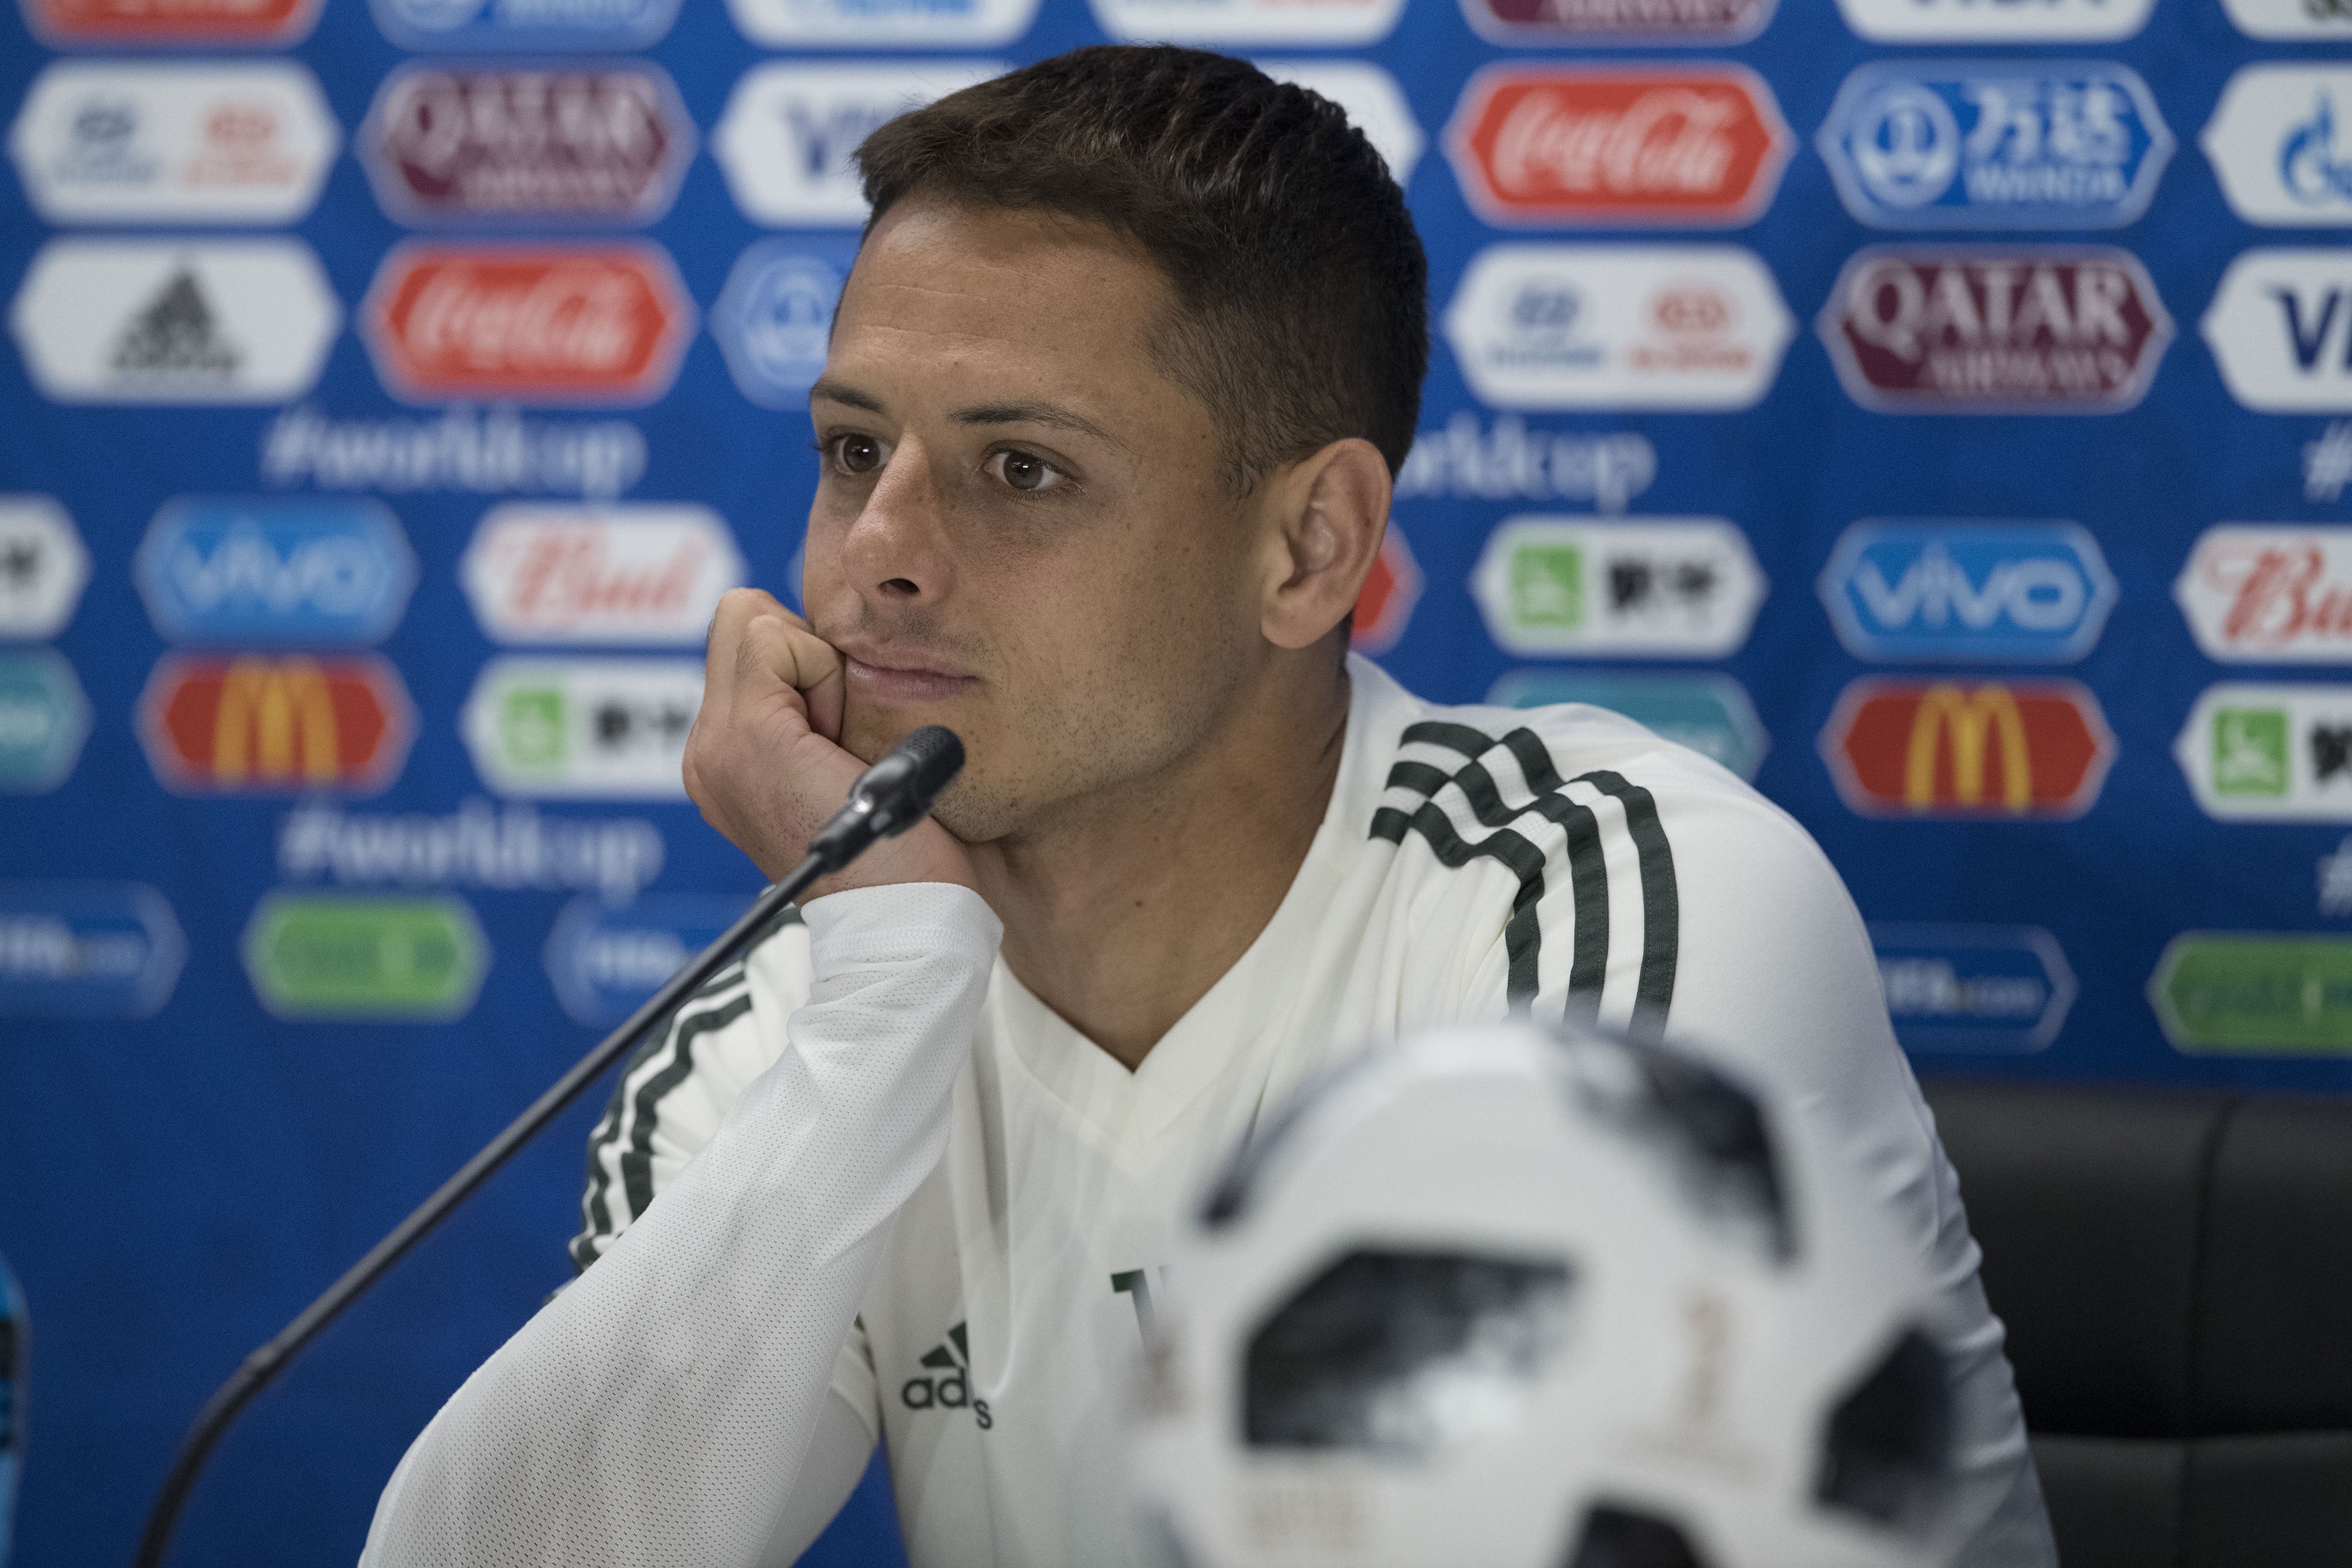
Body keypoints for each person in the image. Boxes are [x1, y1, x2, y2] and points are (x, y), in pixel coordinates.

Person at [360, 45, 2054, 1568]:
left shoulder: (1602, 900)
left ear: (1309, 548)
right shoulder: (818, 1002)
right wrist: (882, 980)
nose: (878, 551)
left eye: (1023, 469)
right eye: (854, 449)